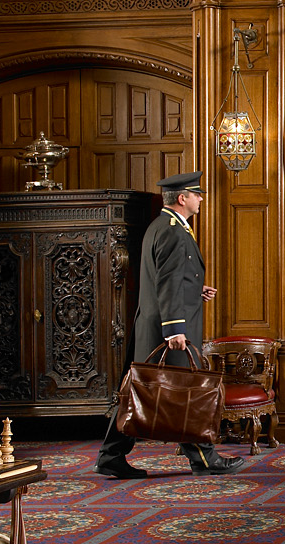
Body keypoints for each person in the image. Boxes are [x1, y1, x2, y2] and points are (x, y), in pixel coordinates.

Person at [97, 171, 246, 478]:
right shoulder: (173, 232)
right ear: (182, 198)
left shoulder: (162, 226)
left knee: (138, 391)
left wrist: (194, 289)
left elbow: (167, 277)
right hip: (168, 330)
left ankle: (110, 455)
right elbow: (166, 281)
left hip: (154, 326)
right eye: (197, 194)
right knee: (185, 391)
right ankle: (204, 458)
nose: (201, 199)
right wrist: (175, 328)